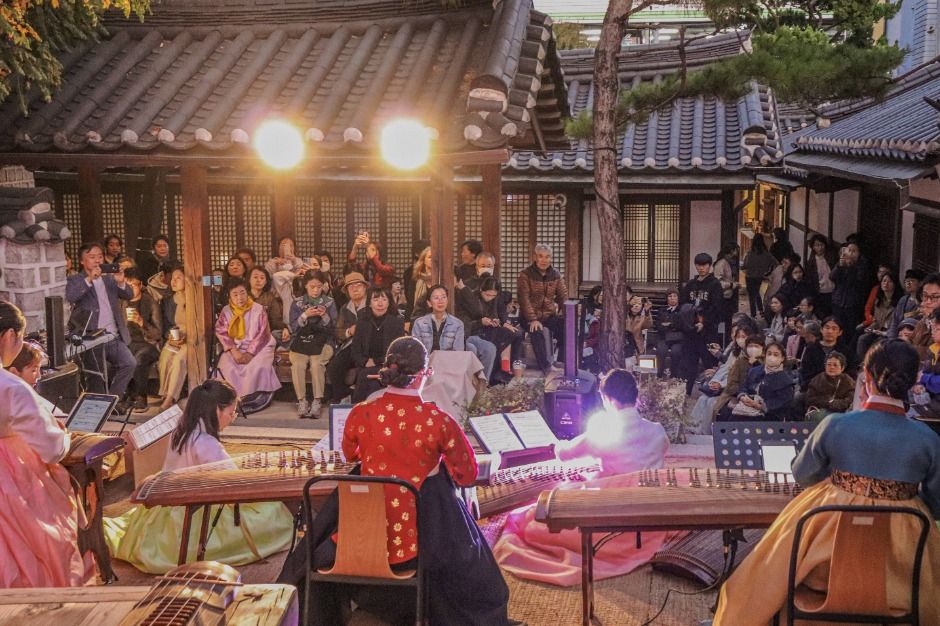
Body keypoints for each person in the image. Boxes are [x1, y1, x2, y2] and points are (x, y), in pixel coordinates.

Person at [287, 336, 512, 625]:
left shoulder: (361, 413)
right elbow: (466, 474)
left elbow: (350, 454)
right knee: (480, 573)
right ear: (423, 374)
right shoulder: (438, 421)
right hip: (417, 543)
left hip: (360, 537)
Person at [713, 339, 940, 625]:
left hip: (825, 566)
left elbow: (803, 474)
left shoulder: (836, 425)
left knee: (767, 571)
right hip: (900, 572)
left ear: (866, 377)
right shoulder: (928, 439)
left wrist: (837, 484)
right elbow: (937, 503)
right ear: (915, 379)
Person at [493, 369, 671, 587]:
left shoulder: (605, 431)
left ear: (608, 399)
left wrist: (557, 445)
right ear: (635, 396)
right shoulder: (657, 431)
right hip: (648, 514)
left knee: (529, 519)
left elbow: (565, 453)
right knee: (583, 482)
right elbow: (658, 453)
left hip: (613, 514)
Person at [104, 380, 293, 574]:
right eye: (231, 413)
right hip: (192, 513)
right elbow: (234, 481)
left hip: (165, 507)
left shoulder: (181, 429)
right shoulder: (206, 443)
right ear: (217, 411)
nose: (232, 418)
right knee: (273, 511)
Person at [0, 300, 87, 588]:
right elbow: (51, 449)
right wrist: (64, 436)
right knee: (35, 555)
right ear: (9, 336)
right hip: (10, 479)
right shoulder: (12, 388)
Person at [65, 242, 137, 410]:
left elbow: (129, 294)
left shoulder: (109, 278)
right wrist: (90, 279)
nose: (97, 260)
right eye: (92, 257)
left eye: (100, 256)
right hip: (91, 338)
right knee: (96, 377)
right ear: (82, 261)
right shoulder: (75, 279)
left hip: (113, 334)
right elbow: (71, 296)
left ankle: (111, 402)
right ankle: (101, 409)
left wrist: (121, 282)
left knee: (129, 363)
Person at [214, 279, 281, 400]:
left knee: (257, 366)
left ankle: (252, 398)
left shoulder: (258, 309)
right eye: (235, 294)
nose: (240, 297)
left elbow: (263, 334)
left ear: (247, 293)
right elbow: (221, 331)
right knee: (226, 366)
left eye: (242, 293)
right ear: (229, 296)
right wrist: (234, 351)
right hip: (235, 346)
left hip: (260, 346)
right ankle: (230, 398)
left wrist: (250, 353)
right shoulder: (226, 310)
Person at [288, 271, 336, 418]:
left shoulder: (329, 302)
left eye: (319, 286)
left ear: (323, 286)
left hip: (323, 341)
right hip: (302, 341)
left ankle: (317, 400)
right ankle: (301, 400)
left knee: (316, 363)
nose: (316, 290)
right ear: (305, 286)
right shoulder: (297, 302)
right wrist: (305, 315)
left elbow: (334, 328)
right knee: (298, 364)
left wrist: (324, 316)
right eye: (312, 287)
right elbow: (293, 327)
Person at [459, 276, 523, 384]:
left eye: (493, 296)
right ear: (481, 290)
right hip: (476, 331)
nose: (490, 298)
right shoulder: (472, 299)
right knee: (495, 343)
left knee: (516, 333)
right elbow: (467, 323)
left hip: (490, 328)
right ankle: (494, 375)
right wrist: (481, 322)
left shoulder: (495, 299)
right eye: (487, 295)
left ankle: (514, 364)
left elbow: (499, 313)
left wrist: (501, 322)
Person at [349, 287, 406, 402]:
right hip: (365, 364)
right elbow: (355, 349)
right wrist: (364, 362)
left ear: (389, 302)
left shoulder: (397, 322)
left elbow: (397, 351)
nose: (380, 303)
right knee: (366, 375)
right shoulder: (362, 322)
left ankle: (358, 407)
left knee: (366, 376)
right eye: (375, 299)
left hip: (387, 364)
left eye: (384, 299)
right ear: (369, 303)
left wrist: (376, 361)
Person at [518, 244, 567, 375]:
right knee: (536, 330)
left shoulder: (556, 275)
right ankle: (546, 367)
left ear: (551, 258)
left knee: (566, 327)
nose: (544, 260)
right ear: (535, 257)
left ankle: (561, 362)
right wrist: (533, 319)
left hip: (548, 315)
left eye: (547, 257)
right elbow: (524, 299)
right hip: (528, 316)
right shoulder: (525, 274)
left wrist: (568, 314)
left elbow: (563, 296)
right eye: (541, 256)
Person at [679, 252, 724, 395]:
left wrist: (704, 322)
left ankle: (711, 393)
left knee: (709, 362)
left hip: (708, 332)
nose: (701, 268)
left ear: (709, 266)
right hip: (691, 331)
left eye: (704, 265)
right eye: (698, 265)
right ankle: (686, 392)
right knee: (688, 363)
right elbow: (683, 305)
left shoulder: (715, 284)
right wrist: (690, 323)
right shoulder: (691, 284)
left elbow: (717, 307)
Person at [326, 272, 369, 403]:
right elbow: (338, 331)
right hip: (350, 346)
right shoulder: (345, 308)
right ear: (347, 291)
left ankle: (360, 399)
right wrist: (349, 332)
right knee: (334, 367)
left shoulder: (372, 305)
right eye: (351, 287)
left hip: (368, 347)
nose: (355, 289)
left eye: (358, 285)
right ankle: (341, 398)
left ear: (365, 288)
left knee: (363, 369)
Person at [124, 268, 162, 411]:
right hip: (127, 342)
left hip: (148, 344)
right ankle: (125, 395)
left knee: (139, 359)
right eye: (127, 286)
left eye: (133, 285)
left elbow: (157, 334)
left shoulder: (150, 302)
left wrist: (141, 322)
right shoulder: (121, 302)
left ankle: (141, 396)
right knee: (117, 357)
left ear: (140, 285)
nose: (129, 289)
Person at [158, 266, 194, 411]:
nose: (174, 281)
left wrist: (186, 336)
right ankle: (164, 393)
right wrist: (171, 336)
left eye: (178, 278)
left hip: (192, 339)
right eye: (173, 278)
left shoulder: (194, 299)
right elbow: (167, 324)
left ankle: (170, 397)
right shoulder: (167, 301)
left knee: (179, 360)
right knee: (165, 357)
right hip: (175, 337)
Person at [736, 340, 798, 420]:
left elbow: (783, 403)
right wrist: (743, 396)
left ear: (782, 358)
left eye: (776, 355)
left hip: (769, 416)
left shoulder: (786, 381)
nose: (771, 357)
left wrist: (760, 406)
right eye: (769, 354)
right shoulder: (754, 371)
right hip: (746, 408)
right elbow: (744, 386)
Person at [715, 334, 765, 421]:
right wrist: (741, 395)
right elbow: (732, 383)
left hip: (760, 399)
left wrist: (755, 364)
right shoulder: (740, 361)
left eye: (756, 346)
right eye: (750, 346)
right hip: (739, 396)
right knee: (724, 413)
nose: (753, 349)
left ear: (762, 348)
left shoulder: (767, 362)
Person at [856, 270, 901, 362]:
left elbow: (897, 323)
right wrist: (871, 328)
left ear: (895, 284)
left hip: (889, 333)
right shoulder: (879, 300)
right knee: (862, 339)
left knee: (878, 343)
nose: (886, 284)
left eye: (889, 281)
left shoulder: (899, 302)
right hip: (878, 330)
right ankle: (863, 363)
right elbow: (877, 321)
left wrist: (884, 332)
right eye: (884, 281)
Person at [831, 241, 870, 340]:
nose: (851, 253)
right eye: (849, 250)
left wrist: (850, 267)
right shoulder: (842, 262)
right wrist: (840, 265)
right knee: (837, 327)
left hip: (853, 304)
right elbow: (832, 277)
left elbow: (857, 281)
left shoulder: (862, 264)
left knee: (851, 330)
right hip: (838, 301)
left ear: (859, 253)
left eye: (854, 251)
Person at [804, 351, 855, 420]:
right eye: (829, 364)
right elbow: (810, 399)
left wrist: (835, 403)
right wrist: (828, 402)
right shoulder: (818, 379)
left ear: (842, 368)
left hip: (842, 412)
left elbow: (850, 400)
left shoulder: (848, 381)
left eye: (835, 365)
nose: (831, 367)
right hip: (820, 411)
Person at [909, 309, 940, 418]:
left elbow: (924, 376)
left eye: (937, 329)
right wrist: (919, 385)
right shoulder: (934, 349)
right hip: (931, 399)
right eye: (932, 327)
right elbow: (924, 372)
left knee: (905, 414)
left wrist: (924, 379)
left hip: (936, 405)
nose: (933, 331)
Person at [248, 266, 287, 343]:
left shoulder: (270, 297)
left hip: (265, 333)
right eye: (255, 277)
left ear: (266, 282)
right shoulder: (242, 296)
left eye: (262, 278)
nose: (258, 280)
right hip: (246, 333)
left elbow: (276, 318)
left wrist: (284, 328)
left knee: (279, 334)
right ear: (249, 279)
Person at [741, 235, 776, 318]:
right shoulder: (766, 253)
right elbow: (775, 262)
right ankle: (761, 310)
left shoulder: (750, 253)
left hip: (750, 276)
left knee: (752, 295)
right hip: (760, 276)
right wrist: (768, 272)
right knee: (756, 292)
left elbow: (745, 265)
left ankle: (753, 314)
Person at [887, 269, 925, 338]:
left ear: (920, 283)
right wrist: (891, 337)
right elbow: (895, 321)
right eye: (906, 281)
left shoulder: (924, 302)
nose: (908, 284)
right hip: (897, 335)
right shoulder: (903, 300)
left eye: (912, 281)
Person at [911, 273, 940, 361]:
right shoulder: (924, 320)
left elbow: (935, 354)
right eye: (925, 296)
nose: (928, 301)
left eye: (935, 297)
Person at [713, 244, 740, 333]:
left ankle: (727, 336)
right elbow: (718, 282)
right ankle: (721, 337)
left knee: (728, 319)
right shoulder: (721, 263)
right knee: (722, 319)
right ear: (731, 251)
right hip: (722, 296)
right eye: (736, 250)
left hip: (728, 296)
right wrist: (731, 285)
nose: (737, 253)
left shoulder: (728, 262)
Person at [624, 295, 653, 371]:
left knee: (637, 367)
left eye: (639, 304)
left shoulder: (643, 317)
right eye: (634, 304)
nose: (636, 306)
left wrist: (647, 312)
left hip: (637, 346)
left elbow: (648, 324)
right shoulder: (624, 315)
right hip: (625, 344)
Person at [797, 320, 826, 391]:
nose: (801, 332)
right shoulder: (807, 344)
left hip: (810, 384)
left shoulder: (813, 348)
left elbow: (811, 371)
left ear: (810, 334)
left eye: (803, 330)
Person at [406, 246, 432, 321]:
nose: (432, 259)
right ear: (424, 260)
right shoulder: (416, 279)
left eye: (434, 257)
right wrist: (407, 321)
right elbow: (410, 302)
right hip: (418, 317)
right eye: (430, 257)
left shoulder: (441, 279)